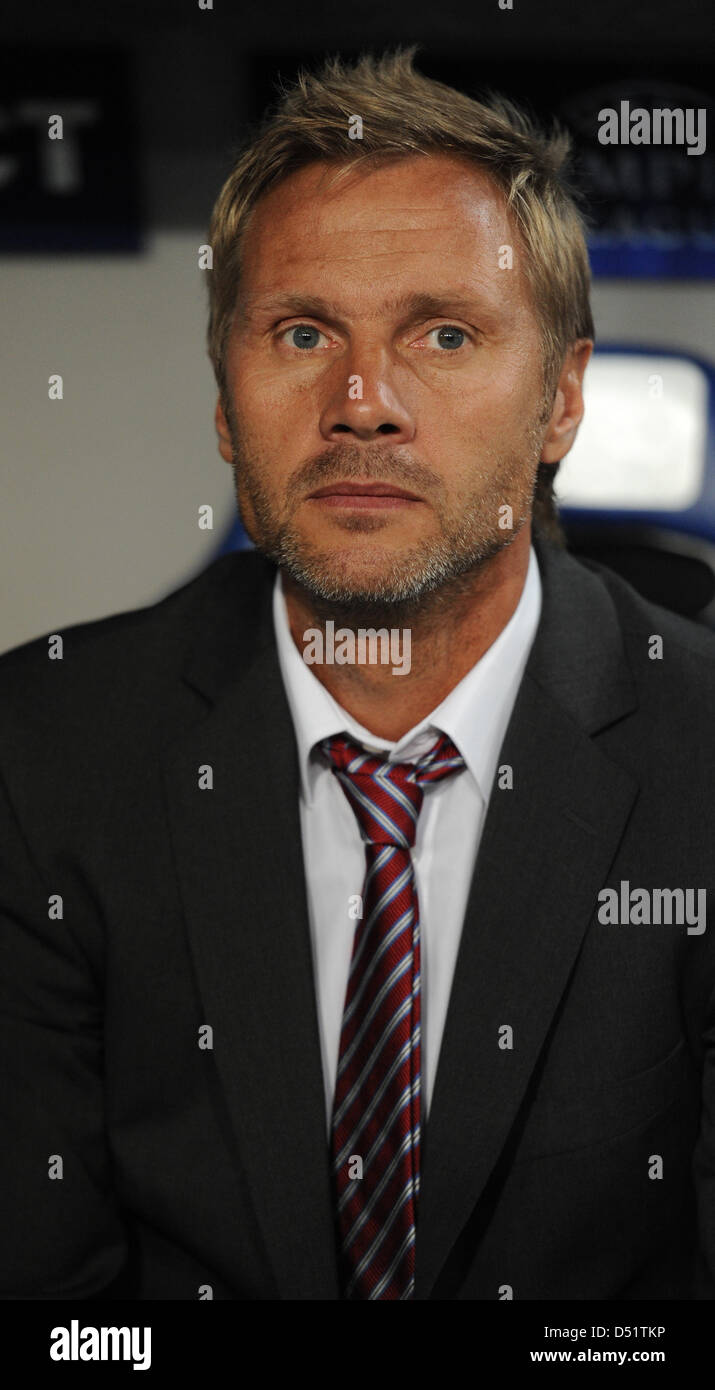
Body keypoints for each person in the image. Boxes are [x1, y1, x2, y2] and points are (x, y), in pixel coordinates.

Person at [1, 49, 713, 1302]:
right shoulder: (39, 752)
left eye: (443, 332)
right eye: (301, 331)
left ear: (560, 400)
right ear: (226, 400)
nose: (362, 401)